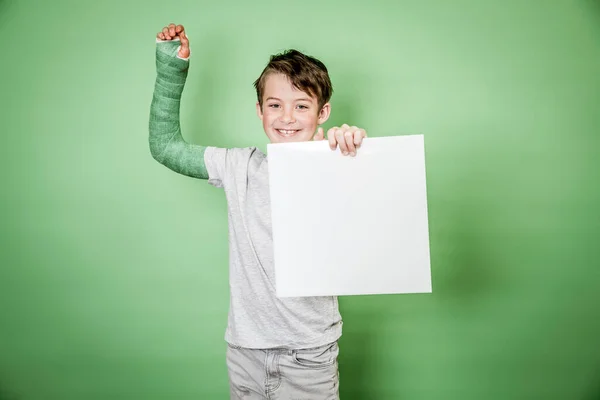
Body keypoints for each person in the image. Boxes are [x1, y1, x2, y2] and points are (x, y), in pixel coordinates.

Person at [149, 22, 367, 400]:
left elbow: (371, 223)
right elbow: (165, 146)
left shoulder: (338, 164)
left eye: (302, 106)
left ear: (323, 112)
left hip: (308, 355)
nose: (287, 117)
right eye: (275, 105)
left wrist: (352, 152)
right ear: (259, 110)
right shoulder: (239, 167)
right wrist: (171, 68)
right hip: (246, 351)